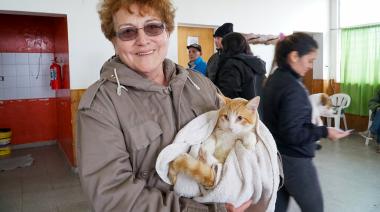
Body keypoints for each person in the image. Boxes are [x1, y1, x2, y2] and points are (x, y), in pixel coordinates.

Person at [77, 0, 251, 211]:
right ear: (113, 40)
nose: (143, 40)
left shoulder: (200, 83)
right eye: (128, 32)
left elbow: (247, 140)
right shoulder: (100, 106)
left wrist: (255, 182)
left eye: (153, 27)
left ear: (167, 31)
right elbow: (114, 198)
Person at [261, 32, 350, 212]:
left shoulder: (274, 79)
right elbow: (294, 133)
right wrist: (325, 131)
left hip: (275, 157)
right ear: (294, 56)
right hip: (295, 161)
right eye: (310, 61)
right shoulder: (292, 88)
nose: (310, 66)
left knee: (277, 207)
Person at [214, 32, 266, 102]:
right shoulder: (257, 64)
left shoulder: (231, 64)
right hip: (255, 110)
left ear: (227, 47)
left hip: (238, 110)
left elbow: (228, 95)